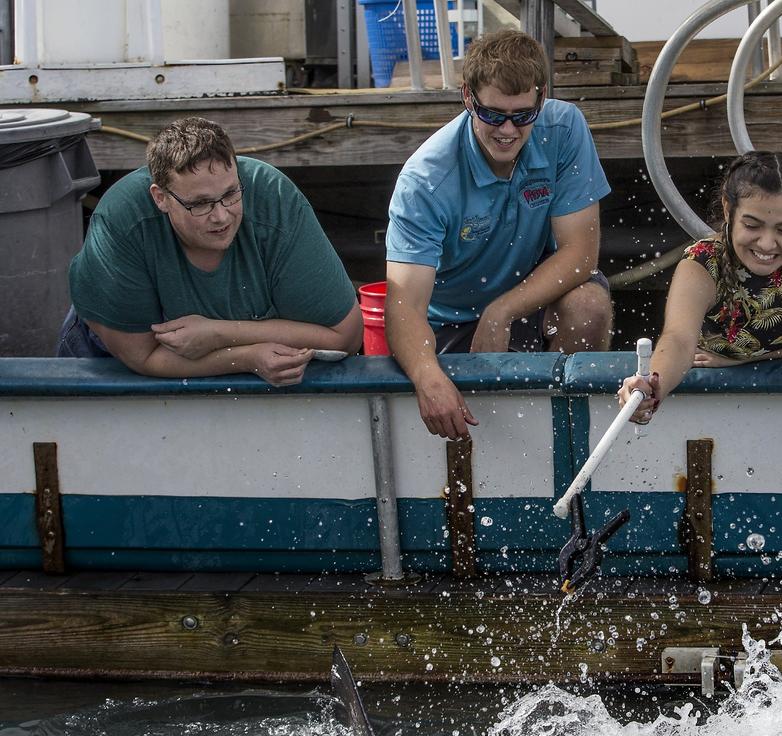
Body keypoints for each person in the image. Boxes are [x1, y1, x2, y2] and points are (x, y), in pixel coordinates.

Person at [385, 30, 613, 440]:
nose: (507, 130)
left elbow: (581, 254)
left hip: (526, 297)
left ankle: (570, 438)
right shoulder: (424, 181)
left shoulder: (564, 127)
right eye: (493, 115)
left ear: (541, 99)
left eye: (523, 115)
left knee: (589, 305)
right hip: (451, 323)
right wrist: (427, 377)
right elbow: (404, 307)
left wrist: (501, 311)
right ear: (468, 98)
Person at [59, 117, 362, 386]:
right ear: (161, 198)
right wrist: (245, 358)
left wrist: (219, 334)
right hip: (109, 356)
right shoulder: (121, 220)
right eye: (200, 204)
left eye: (230, 194)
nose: (221, 216)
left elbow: (345, 337)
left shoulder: (275, 201)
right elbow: (143, 357)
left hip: (237, 354)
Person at [617, 151, 782, 423]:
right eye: (752, 225)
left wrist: (753, 359)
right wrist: (651, 387)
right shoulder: (702, 264)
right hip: (727, 417)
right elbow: (679, 341)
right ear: (728, 210)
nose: (767, 244)